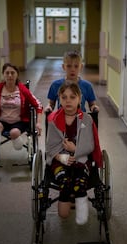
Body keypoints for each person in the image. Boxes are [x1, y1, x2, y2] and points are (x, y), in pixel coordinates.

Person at [46, 81, 102, 225]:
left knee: (80, 183)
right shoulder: (53, 121)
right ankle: (66, 197)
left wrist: (74, 150)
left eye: (72, 97)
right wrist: (61, 156)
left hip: (82, 160)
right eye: (64, 97)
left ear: (79, 99)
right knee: (64, 183)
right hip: (60, 161)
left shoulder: (87, 119)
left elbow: (90, 145)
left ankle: (81, 207)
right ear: (59, 99)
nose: (68, 101)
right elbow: (50, 147)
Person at [0, 63, 43, 166]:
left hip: (19, 121)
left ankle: (19, 143)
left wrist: (38, 123)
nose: (10, 75)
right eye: (7, 73)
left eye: (12, 73)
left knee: (14, 135)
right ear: (3, 74)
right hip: (2, 120)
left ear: (17, 75)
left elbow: (38, 105)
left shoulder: (22, 89)